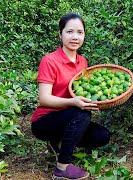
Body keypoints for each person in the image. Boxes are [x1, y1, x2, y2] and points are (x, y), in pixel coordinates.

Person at [31, 13, 110, 179]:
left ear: (84, 36)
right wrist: (74, 102)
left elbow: (84, 90)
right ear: (60, 34)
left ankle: (59, 143)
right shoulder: (49, 60)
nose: (75, 37)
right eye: (69, 32)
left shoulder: (83, 62)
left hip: (70, 117)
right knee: (82, 113)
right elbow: (44, 99)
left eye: (80, 32)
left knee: (102, 136)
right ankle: (62, 168)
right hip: (45, 120)